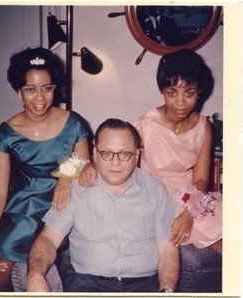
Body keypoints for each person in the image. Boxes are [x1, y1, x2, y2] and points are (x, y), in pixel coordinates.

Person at [80, 49, 222, 292]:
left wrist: (190, 213)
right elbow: (121, 159)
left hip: (190, 196)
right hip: (154, 194)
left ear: (199, 92)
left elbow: (200, 179)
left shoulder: (204, 125)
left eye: (189, 93)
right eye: (171, 93)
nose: (180, 102)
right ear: (162, 91)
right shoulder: (146, 125)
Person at [0, 47, 91, 292]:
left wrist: (65, 177)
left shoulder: (75, 123)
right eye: (30, 89)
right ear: (19, 91)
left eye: (47, 88)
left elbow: (85, 163)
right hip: (10, 201)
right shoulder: (6, 133)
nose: (39, 98)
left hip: (47, 209)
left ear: (55, 88)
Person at [27, 118, 180, 293]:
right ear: (95, 153)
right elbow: (48, 239)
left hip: (145, 285)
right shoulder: (75, 190)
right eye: (107, 153)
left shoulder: (155, 191)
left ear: (137, 155)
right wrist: (35, 274)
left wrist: (166, 290)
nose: (115, 162)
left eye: (124, 154)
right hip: (89, 285)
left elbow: (168, 249)